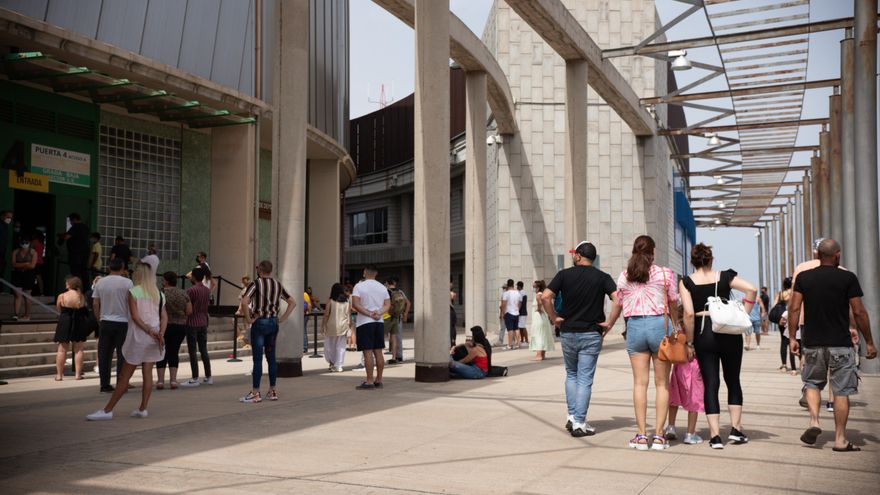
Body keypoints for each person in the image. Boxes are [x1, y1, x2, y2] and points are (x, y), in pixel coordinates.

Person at [788, 239, 876, 451]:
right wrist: (869, 342)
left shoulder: (804, 277)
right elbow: (858, 311)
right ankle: (840, 439)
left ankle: (814, 422)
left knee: (812, 383)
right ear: (837, 255)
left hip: (812, 342)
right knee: (841, 391)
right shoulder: (847, 278)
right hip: (840, 343)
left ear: (818, 255)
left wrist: (792, 337)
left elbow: (794, 308)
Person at [679, 243, 757, 449]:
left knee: (711, 383)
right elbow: (752, 289)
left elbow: (687, 314)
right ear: (711, 259)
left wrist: (689, 342)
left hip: (704, 333)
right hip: (729, 332)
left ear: (692, 261)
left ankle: (714, 436)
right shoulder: (725, 277)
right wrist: (743, 315)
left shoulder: (686, 282)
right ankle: (736, 430)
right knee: (733, 380)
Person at [542, 241, 620, 437]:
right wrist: (610, 322)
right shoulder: (602, 277)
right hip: (591, 332)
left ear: (578, 256)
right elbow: (618, 299)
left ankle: (571, 416)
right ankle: (579, 422)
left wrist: (554, 318)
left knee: (571, 374)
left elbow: (545, 297)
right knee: (585, 379)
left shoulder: (564, 275)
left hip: (568, 331)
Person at [614, 235, 678, 450]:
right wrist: (676, 327)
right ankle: (659, 437)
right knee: (662, 383)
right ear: (654, 252)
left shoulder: (625, 276)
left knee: (640, 383)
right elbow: (673, 302)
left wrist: (607, 324)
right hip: (660, 327)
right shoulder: (664, 274)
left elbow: (619, 304)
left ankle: (641, 436)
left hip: (635, 327)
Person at [86, 262, 166, 420]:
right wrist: (160, 333)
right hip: (155, 338)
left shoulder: (134, 291)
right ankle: (143, 408)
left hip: (139, 337)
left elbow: (135, 317)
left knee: (124, 376)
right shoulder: (159, 293)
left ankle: (108, 410)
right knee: (148, 374)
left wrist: (148, 330)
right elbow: (164, 316)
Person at [240, 260, 295, 403]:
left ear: (260, 270)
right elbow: (292, 302)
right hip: (273, 322)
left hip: (259, 322)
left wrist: (248, 318)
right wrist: (281, 318)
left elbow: (244, 301)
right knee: (271, 358)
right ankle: (272, 391)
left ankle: (255, 392)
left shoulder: (256, 283)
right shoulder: (277, 284)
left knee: (257, 359)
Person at [93, 258, 133, 392]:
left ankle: (104, 384)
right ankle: (121, 384)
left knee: (104, 354)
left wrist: (99, 319)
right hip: (123, 321)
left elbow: (95, 303)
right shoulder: (128, 282)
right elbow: (134, 301)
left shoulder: (100, 282)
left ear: (109, 267)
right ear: (122, 267)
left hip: (105, 321)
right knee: (123, 354)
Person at [351, 264, 390, 390]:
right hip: (379, 322)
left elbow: (355, 304)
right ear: (376, 273)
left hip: (364, 322)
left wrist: (369, 313)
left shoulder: (359, 286)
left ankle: (369, 381)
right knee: (378, 351)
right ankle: (379, 380)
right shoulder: (382, 287)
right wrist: (378, 313)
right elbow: (387, 304)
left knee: (367, 352)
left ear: (364, 272)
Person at [155, 272, 191, 390]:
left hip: (163, 326)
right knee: (174, 352)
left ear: (166, 281)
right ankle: (173, 380)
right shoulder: (183, 293)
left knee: (162, 352)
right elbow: (189, 311)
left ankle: (160, 381)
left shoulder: (160, 293)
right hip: (180, 326)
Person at [53, 275, 89, 381]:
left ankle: (59, 376)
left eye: (66, 282)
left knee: (62, 350)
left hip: (65, 321)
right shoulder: (81, 296)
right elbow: (84, 308)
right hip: (78, 321)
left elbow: (59, 309)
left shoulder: (62, 296)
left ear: (70, 284)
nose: (65, 284)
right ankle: (77, 375)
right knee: (79, 349)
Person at [180, 268, 212, 387]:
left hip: (192, 322)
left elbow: (187, 307)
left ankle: (195, 377)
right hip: (203, 321)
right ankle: (208, 376)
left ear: (193, 277)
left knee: (192, 351)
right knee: (203, 350)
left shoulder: (190, 291)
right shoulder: (207, 290)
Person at [322, 283, 351, 372]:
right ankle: (339, 365)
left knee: (329, 346)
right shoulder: (347, 301)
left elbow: (326, 315)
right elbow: (348, 315)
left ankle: (332, 362)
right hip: (343, 326)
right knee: (341, 346)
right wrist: (349, 325)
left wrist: (323, 325)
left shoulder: (330, 301)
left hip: (331, 326)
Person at [10, 238, 36, 321]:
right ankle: (16, 314)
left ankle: (27, 315)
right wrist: (25, 264)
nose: (24, 244)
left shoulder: (33, 252)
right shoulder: (16, 252)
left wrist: (19, 264)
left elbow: (32, 266)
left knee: (27, 295)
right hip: (17, 274)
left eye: (26, 242)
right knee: (17, 294)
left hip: (28, 275)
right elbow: (13, 264)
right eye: (23, 242)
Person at [60, 213, 90, 284]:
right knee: (84, 273)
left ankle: (75, 290)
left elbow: (66, 237)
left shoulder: (75, 227)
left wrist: (61, 236)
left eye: (70, 220)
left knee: (75, 273)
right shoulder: (86, 227)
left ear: (74, 220)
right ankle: (86, 291)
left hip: (75, 254)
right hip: (85, 253)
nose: (70, 222)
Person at [385, 277, 410, 364]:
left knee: (387, 337)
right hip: (398, 316)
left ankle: (392, 355)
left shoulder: (386, 292)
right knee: (397, 337)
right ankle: (398, 356)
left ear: (387, 283)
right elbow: (408, 303)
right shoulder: (400, 292)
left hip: (387, 317)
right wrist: (405, 314)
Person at [528, 280, 555, 360]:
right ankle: (542, 354)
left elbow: (539, 303)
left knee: (538, 334)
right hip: (544, 317)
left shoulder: (538, 295)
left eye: (534, 287)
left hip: (538, 317)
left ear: (538, 287)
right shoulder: (544, 295)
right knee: (543, 334)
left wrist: (539, 308)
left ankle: (538, 355)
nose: (533, 288)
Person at [775, 277, 797, 372]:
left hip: (782, 319)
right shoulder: (795, 293)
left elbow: (774, 305)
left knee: (784, 342)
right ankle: (794, 367)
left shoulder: (780, 294)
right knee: (792, 340)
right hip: (792, 318)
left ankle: (784, 365)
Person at [500, 279, 521, 350]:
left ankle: (509, 345)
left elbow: (504, 304)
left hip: (509, 312)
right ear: (513, 284)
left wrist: (503, 313)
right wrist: (517, 309)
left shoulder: (506, 293)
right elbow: (520, 302)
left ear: (507, 284)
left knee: (510, 329)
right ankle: (518, 344)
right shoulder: (518, 292)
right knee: (516, 328)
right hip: (516, 312)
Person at [0, 210, 11, 290]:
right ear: (2, 216)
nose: (9, 219)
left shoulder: (6, 227)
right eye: (8, 217)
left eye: (10, 217)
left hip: (2, 255)